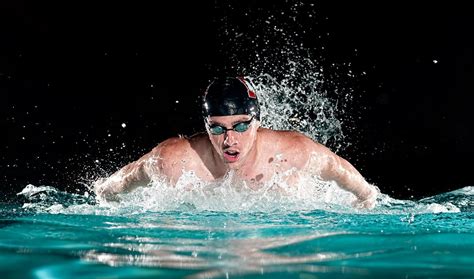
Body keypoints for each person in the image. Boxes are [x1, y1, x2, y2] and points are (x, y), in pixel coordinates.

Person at [94, 77, 378, 208]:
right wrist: (107, 193)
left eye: (241, 126)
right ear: (205, 126)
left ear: (257, 122)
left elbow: (337, 167)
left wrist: (366, 197)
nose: (230, 139)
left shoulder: (291, 153)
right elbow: (126, 178)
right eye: (217, 129)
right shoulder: (174, 159)